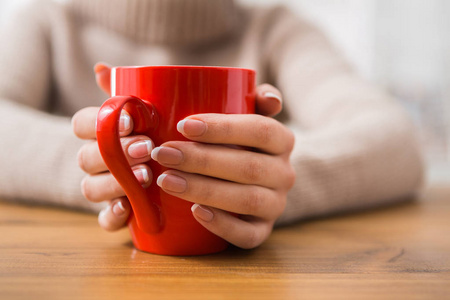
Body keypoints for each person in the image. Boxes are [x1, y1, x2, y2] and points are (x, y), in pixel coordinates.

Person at [0, 0, 423, 249]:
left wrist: (272, 182)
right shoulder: (48, 19)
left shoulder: (274, 27)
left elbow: (396, 142)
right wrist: (103, 165)